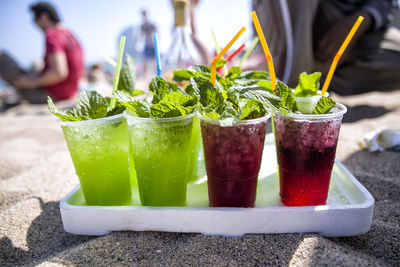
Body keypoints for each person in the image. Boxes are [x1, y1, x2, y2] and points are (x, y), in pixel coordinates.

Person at [252, 0, 400, 95]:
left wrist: (364, 19)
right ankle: (286, 85)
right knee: (288, 82)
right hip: (301, 17)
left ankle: (314, 85)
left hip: (356, 24)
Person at [0, 1, 83, 104]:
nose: (34, 23)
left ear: (43, 17)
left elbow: (59, 72)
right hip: (70, 93)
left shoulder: (52, 35)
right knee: (36, 65)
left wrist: (30, 83)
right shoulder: (70, 35)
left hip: (53, 95)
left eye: (34, 19)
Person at [140, 9, 157, 78]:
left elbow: (157, 31)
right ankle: (145, 75)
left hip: (153, 44)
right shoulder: (143, 25)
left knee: (155, 60)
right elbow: (141, 35)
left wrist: (157, 41)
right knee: (145, 60)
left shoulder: (152, 24)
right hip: (146, 44)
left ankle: (156, 74)